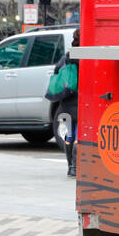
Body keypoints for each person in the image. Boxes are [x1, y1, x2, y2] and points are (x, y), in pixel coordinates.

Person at [46, 31, 80, 177]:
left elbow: (56, 73)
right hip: (79, 105)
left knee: (69, 136)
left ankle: (70, 167)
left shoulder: (66, 57)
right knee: (79, 137)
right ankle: (77, 167)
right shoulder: (85, 58)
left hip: (65, 104)